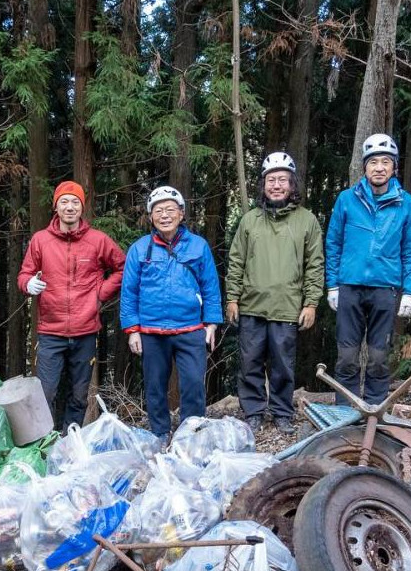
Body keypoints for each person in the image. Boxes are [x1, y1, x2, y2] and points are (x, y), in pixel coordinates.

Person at [226, 152, 324, 436]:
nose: (277, 185)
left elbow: (314, 264)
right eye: (271, 180)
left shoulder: (307, 221)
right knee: (250, 362)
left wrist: (311, 302)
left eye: (283, 179)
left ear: (293, 185)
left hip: (288, 306)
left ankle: (282, 412)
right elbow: (236, 261)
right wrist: (232, 298)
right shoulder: (250, 221)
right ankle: (254, 412)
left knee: (283, 364)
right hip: (251, 305)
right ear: (263, 185)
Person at [17, 181, 125, 428]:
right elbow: (24, 274)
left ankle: (70, 442)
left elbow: (122, 267)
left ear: (82, 207)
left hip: (85, 331)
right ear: (56, 206)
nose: (69, 207)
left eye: (75, 202)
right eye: (64, 201)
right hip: (50, 332)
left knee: (78, 396)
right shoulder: (41, 240)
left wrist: (101, 293)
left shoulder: (98, 240)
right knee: (45, 394)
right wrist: (28, 284)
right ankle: (44, 445)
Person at [325, 133, 411, 405]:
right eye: (373, 162)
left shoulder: (406, 203)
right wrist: (332, 285)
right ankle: (346, 411)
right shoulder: (346, 199)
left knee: (379, 357)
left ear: (394, 167)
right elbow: (333, 243)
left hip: (384, 288)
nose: (379, 167)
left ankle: (375, 410)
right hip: (350, 286)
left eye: (386, 162)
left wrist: (410, 291)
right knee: (347, 355)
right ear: (364, 167)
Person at [121, 186, 223, 441]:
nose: (164, 215)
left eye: (170, 210)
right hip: (152, 331)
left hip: (190, 329)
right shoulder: (139, 248)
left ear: (181, 214)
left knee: (193, 385)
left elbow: (210, 286)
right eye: (158, 211)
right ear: (151, 216)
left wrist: (210, 323)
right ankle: (159, 433)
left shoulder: (198, 246)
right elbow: (129, 291)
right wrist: (132, 329)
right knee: (154, 386)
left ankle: (190, 435)